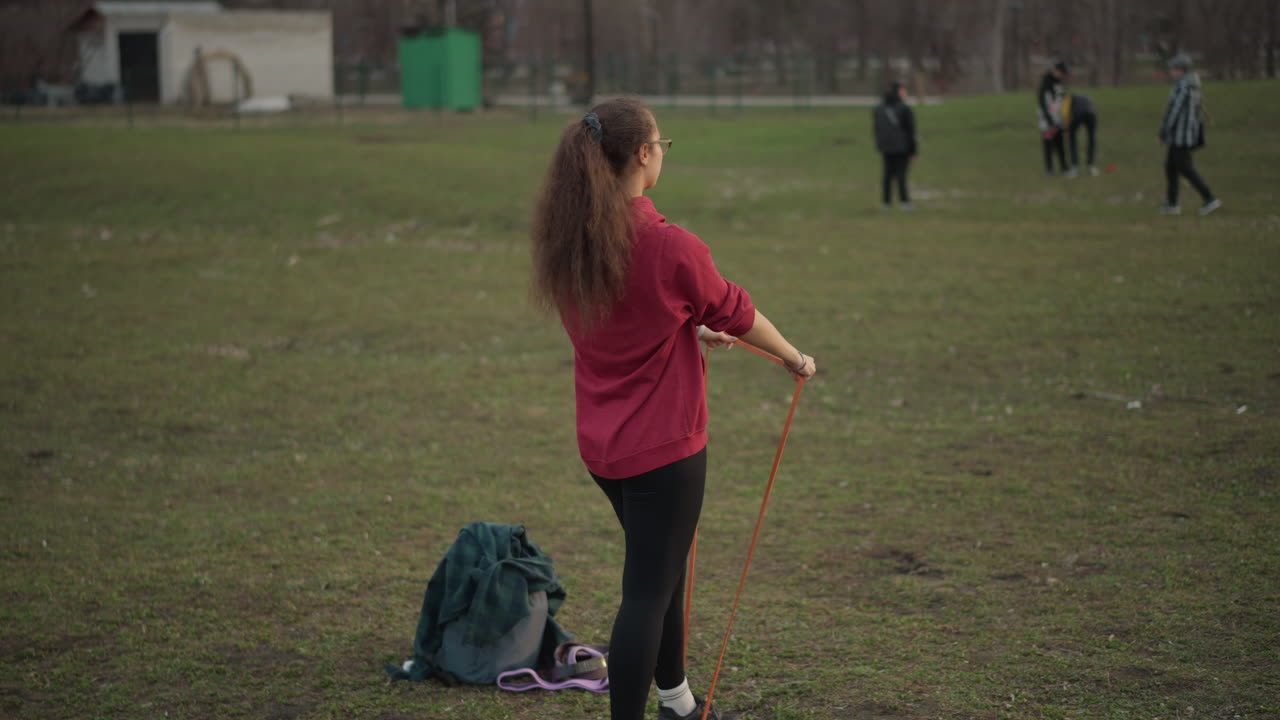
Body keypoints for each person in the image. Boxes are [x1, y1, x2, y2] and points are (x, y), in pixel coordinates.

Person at [529, 97, 816, 720]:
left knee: (661, 566)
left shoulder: (575, 240)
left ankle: (679, 701)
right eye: (661, 142)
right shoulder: (667, 244)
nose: (663, 151)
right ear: (642, 154)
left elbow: (629, 321)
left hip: (604, 449)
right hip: (663, 452)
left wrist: (687, 329)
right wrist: (795, 357)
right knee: (647, 593)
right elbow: (736, 310)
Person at [1158, 54, 1221, 215]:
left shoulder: (1183, 87)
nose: (1171, 72)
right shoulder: (1193, 85)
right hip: (1185, 135)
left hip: (1181, 136)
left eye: (1173, 69)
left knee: (1186, 169)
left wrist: (1164, 131)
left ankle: (1209, 198)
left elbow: (1174, 112)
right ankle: (1172, 204)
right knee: (1171, 167)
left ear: (1180, 70)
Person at [873, 81, 918, 209]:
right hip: (902, 147)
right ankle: (904, 202)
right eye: (903, 90)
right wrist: (914, 151)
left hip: (885, 147)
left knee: (887, 175)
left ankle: (886, 202)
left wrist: (879, 145)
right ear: (898, 92)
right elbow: (911, 131)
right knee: (901, 174)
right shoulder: (904, 108)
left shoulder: (879, 108)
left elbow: (876, 129)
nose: (905, 92)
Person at [1036, 61, 1068, 176]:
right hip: (1047, 120)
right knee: (1048, 143)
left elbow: (1062, 100)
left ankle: (1064, 168)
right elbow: (1043, 101)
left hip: (1058, 118)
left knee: (1059, 143)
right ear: (1056, 71)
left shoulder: (1060, 83)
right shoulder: (1046, 81)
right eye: (1062, 73)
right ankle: (1049, 170)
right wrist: (1049, 120)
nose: (1063, 75)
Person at [1063, 91, 1098, 177]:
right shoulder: (1087, 98)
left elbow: (1065, 112)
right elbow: (1092, 108)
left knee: (1072, 137)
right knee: (1091, 138)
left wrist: (1068, 128)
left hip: (1079, 114)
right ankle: (1091, 166)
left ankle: (1075, 167)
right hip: (1091, 113)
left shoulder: (1068, 99)